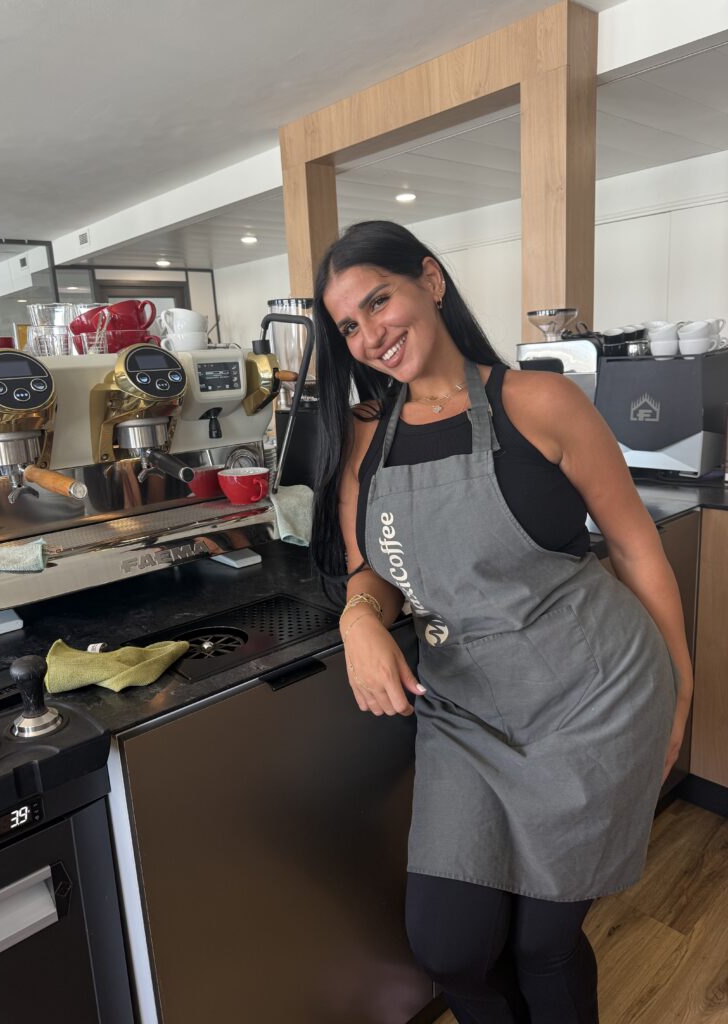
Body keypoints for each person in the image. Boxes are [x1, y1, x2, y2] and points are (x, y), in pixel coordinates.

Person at [309, 220, 693, 1024]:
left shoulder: (538, 403)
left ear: (431, 281)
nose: (370, 335)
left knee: (541, 947)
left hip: (594, 699)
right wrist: (358, 620)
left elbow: (634, 546)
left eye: (378, 301)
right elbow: (370, 568)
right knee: (450, 949)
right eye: (348, 325)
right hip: (466, 712)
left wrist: (681, 689)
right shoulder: (366, 435)